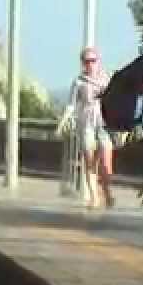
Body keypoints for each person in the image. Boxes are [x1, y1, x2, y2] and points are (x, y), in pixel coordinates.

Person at [57, 47, 114, 208]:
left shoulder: (107, 79)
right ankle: (94, 197)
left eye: (93, 61)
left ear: (98, 61)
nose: (90, 64)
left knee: (106, 162)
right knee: (89, 161)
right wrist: (62, 123)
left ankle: (107, 190)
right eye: (87, 61)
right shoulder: (79, 82)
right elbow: (71, 105)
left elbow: (115, 101)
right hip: (86, 122)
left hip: (104, 122)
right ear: (82, 63)